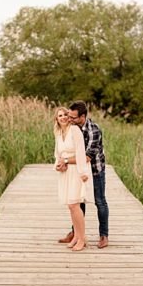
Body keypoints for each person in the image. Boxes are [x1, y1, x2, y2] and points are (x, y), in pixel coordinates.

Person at [57, 101, 110, 248]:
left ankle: (104, 235)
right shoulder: (72, 128)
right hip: (79, 171)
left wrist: (66, 160)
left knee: (100, 201)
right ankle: (76, 234)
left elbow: (86, 157)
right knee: (77, 201)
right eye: (70, 116)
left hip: (95, 170)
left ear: (83, 116)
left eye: (74, 117)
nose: (71, 119)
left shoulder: (94, 130)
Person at [53, 107, 91, 252]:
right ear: (56, 119)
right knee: (70, 206)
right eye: (59, 116)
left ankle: (82, 239)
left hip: (76, 171)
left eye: (64, 115)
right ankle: (75, 236)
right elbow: (58, 154)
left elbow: (81, 152)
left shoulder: (75, 130)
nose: (62, 117)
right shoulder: (58, 133)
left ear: (69, 117)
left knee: (75, 205)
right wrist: (58, 165)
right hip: (65, 172)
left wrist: (82, 171)